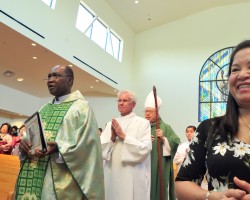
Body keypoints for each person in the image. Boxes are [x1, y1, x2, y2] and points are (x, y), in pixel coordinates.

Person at [175, 39, 250, 200]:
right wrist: (212, 197)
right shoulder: (209, 129)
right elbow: (182, 183)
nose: (241, 75)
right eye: (235, 70)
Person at [16, 65, 104, 200]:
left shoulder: (81, 107)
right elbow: (31, 136)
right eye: (49, 76)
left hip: (60, 180)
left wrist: (59, 147)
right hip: (36, 173)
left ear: (70, 81)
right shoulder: (44, 108)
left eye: (56, 76)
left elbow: (89, 146)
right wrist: (24, 145)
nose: (50, 80)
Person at [100, 90, 152, 200]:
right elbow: (100, 150)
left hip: (133, 172)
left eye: (125, 100)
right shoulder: (111, 123)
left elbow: (145, 149)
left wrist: (124, 137)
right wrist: (112, 138)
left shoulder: (142, 123)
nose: (121, 103)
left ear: (133, 104)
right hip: (112, 171)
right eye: (119, 100)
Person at [144, 91, 180, 200]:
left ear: (157, 113)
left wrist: (164, 139)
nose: (147, 114)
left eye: (150, 111)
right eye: (146, 111)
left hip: (158, 165)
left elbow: (176, 141)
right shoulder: (140, 126)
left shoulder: (165, 127)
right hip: (142, 166)